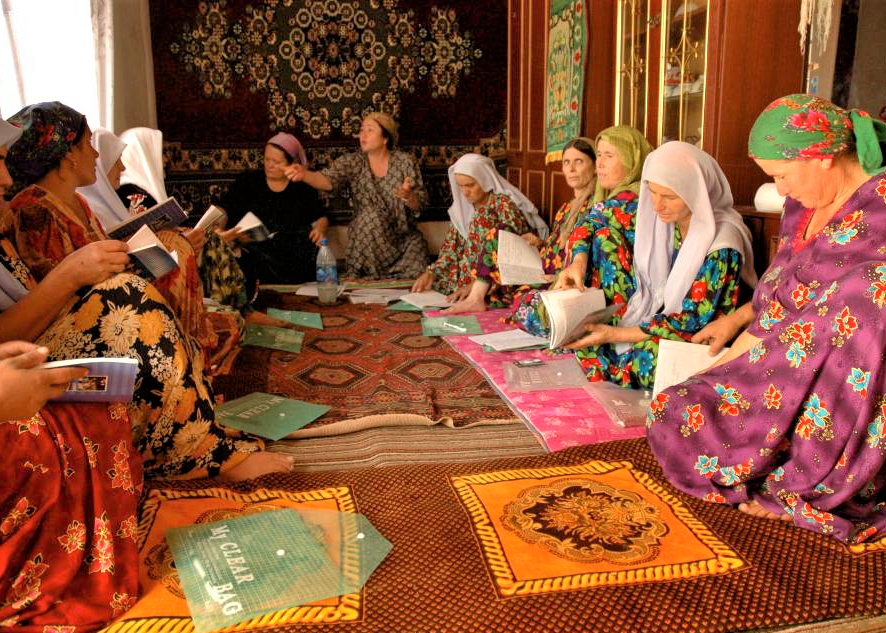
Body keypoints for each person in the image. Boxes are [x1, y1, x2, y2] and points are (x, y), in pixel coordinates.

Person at [647, 94, 886, 543]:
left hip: (842, 390)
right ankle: (773, 455)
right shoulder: (802, 209)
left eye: (781, 176)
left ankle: (813, 472)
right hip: (774, 364)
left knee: (869, 293)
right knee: (672, 410)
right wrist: (721, 364)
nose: (779, 191)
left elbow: (851, 315)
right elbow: (777, 304)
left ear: (821, 158)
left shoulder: (881, 208)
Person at [0, 103, 221, 367]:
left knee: (177, 250)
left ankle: (188, 356)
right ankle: (188, 359)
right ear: (69, 152)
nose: (95, 154)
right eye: (88, 143)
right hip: (73, 325)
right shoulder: (33, 209)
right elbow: (66, 300)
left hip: (103, 303)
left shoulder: (79, 202)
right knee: (173, 251)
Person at [566, 141, 756, 388]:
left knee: (646, 357)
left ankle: (617, 362)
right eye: (652, 193)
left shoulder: (722, 244)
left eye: (668, 196)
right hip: (654, 318)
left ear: (695, 193)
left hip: (694, 335)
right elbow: (595, 217)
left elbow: (691, 322)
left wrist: (617, 334)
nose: (657, 205)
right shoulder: (661, 216)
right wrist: (578, 261)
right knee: (604, 238)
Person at [286, 111, 430, 278]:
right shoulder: (354, 162)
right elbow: (327, 180)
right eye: (361, 130)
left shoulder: (405, 162)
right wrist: (304, 174)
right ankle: (371, 277)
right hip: (369, 236)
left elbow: (421, 203)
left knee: (418, 266)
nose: (363, 135)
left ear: (385, 138)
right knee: (371, 218)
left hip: (402, 238)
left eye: (370, 130)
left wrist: (409, 196)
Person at [411, 153, 548, 313]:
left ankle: (478, 292)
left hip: (496, 276)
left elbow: (512, 250)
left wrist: (477, 283)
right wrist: (431, 273)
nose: (465, 192)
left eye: (470, 185)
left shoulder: (502, 204)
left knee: (483, 221)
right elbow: (451, 249)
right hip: (468, 275)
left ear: (485, 180)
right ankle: (470, 291)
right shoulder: (462, 209)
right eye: (460, 186)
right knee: (437, 283)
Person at [215, 132, 328, 288]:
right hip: (252, 248)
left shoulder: (302, 187)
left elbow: (320, 216)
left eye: (276, 161)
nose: (269, 165)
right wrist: (218, 227)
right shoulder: (248, 181)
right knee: (244, 255)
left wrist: (320, 229)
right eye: (267, 159)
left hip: (289, 250)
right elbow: (224, 208)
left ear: (290, 163)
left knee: (304, 244)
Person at [510, 137, 597, 333]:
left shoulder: (595, 207)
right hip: (545, 275)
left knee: (528, 307)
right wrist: (539, 243)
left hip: (568, 283)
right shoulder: (566, 208)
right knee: (518, 296)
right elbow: (557, 245)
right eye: (567, 162)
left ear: (595, 166)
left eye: (579, 161)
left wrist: (556, 277)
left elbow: (586, 254)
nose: (571, 169)